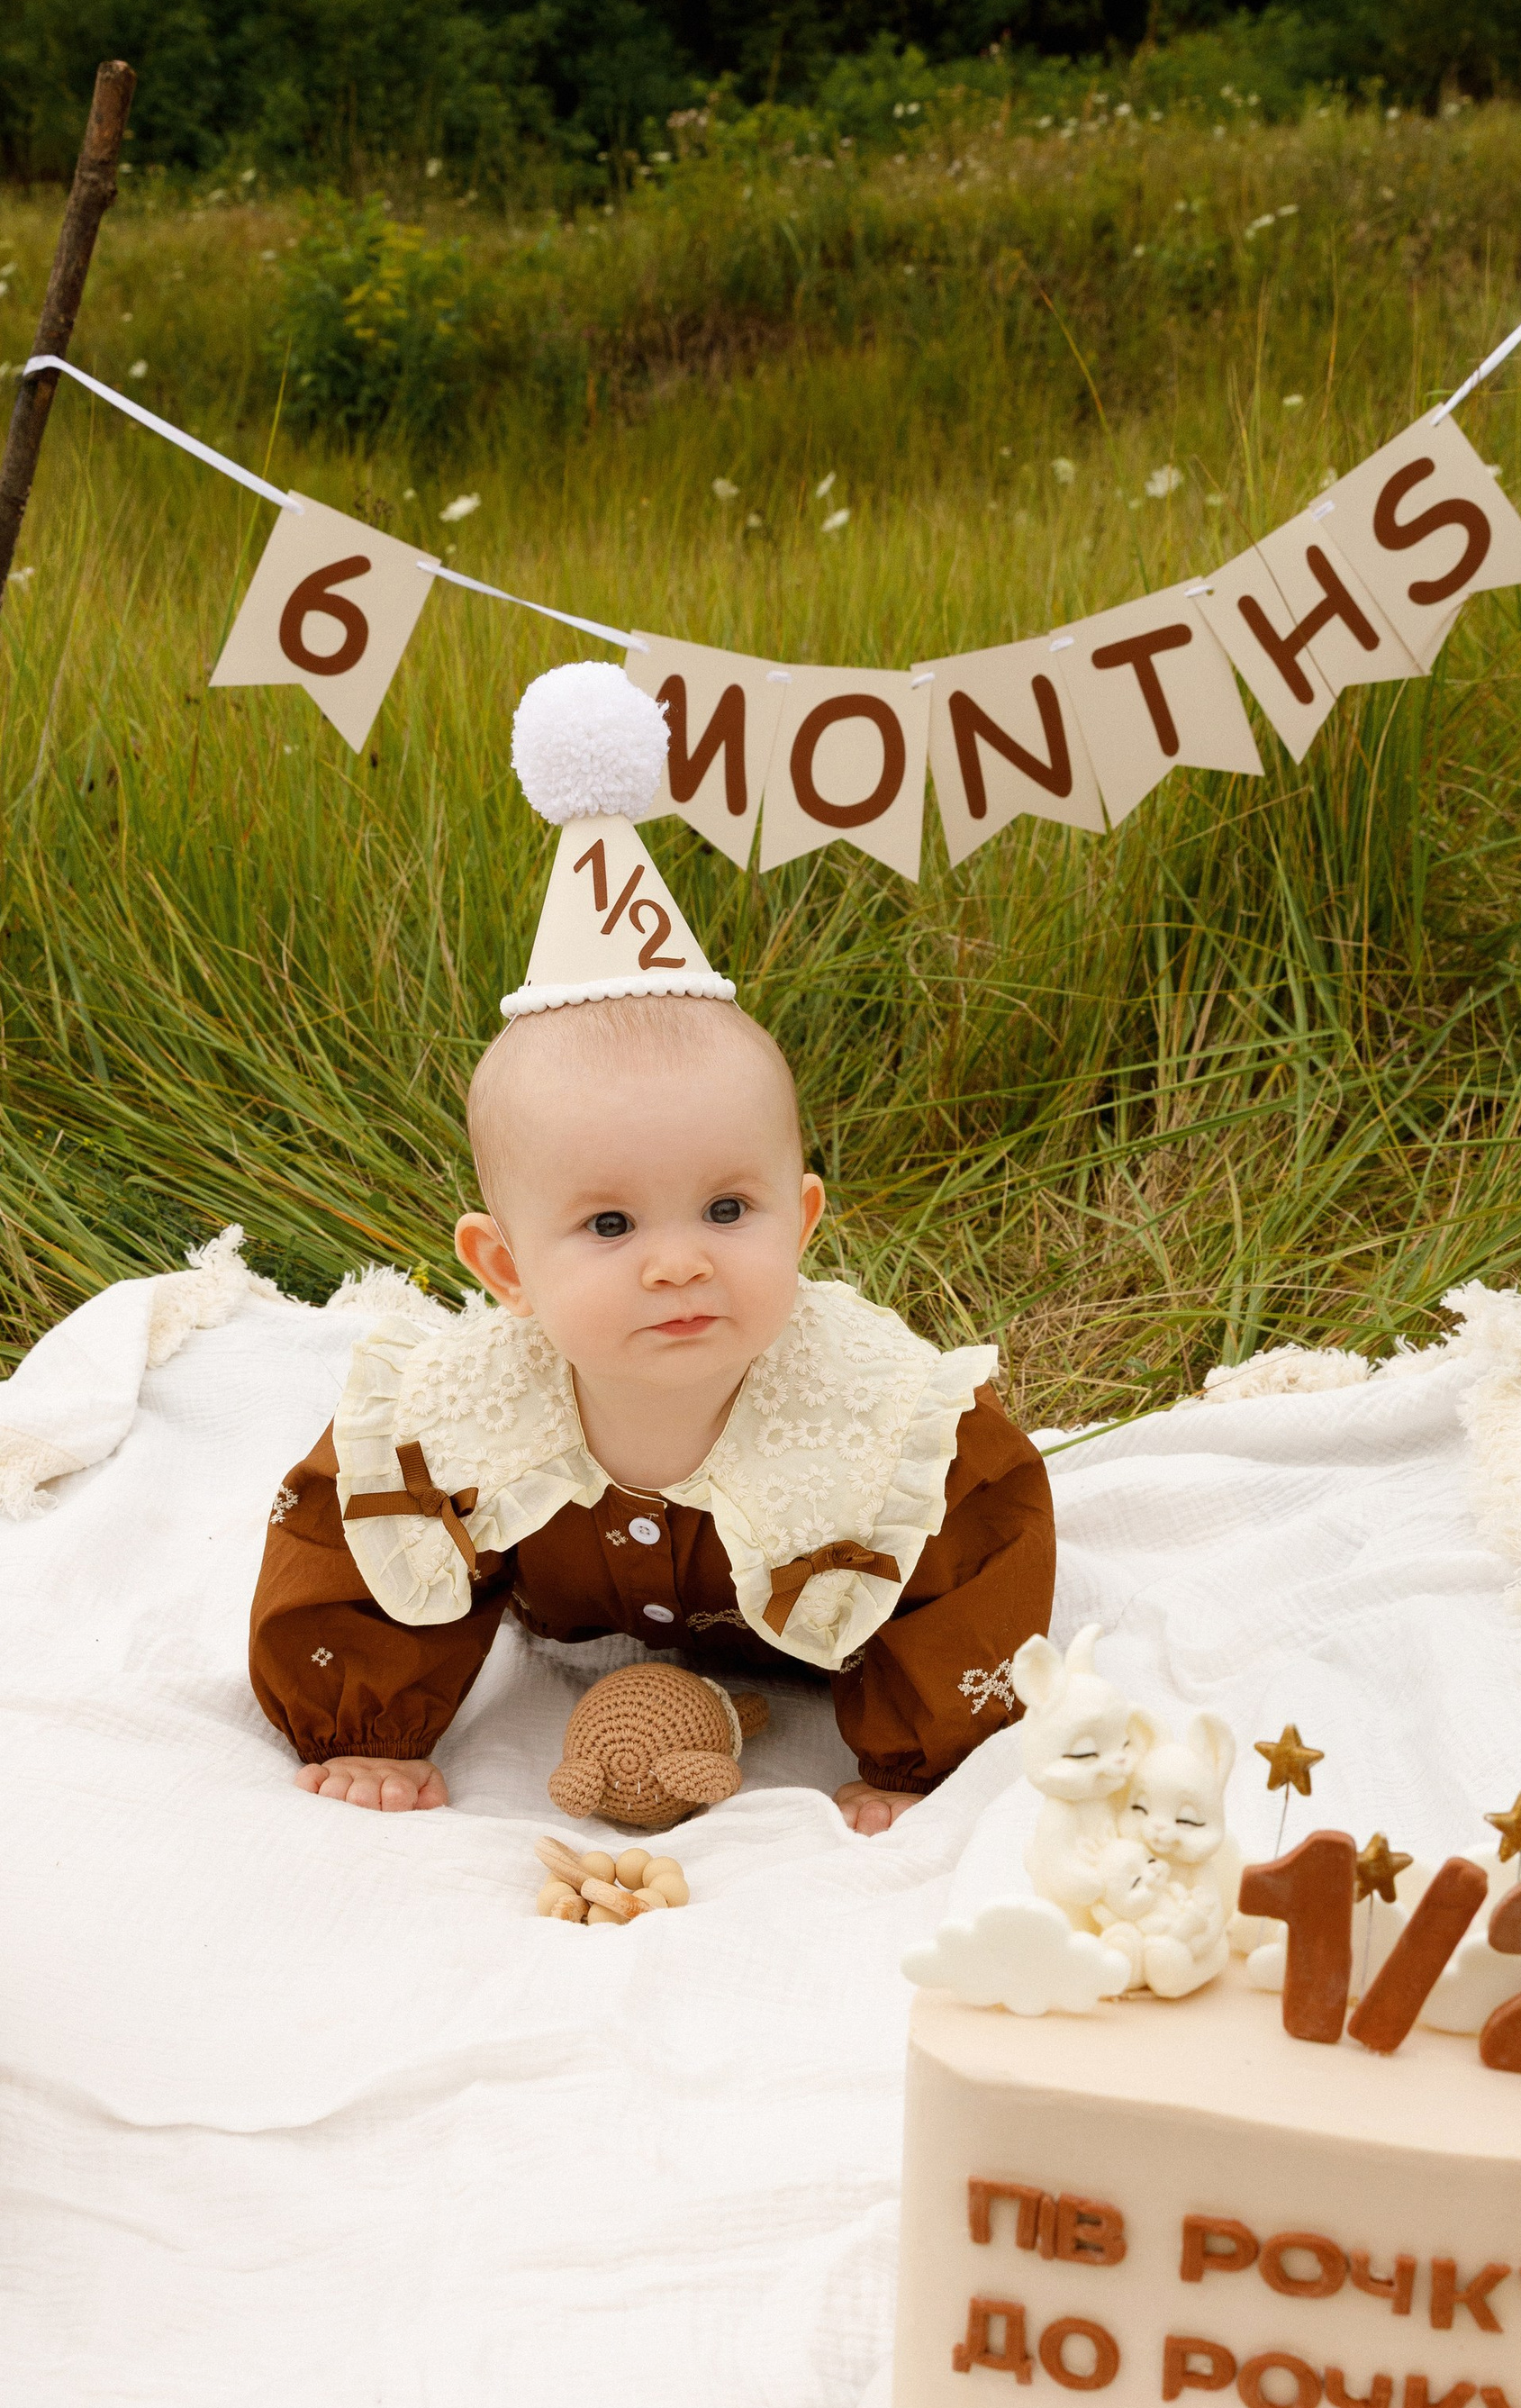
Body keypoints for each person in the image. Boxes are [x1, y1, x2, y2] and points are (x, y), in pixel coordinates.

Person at [247, 664, 1055, 1833]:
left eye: (728, 1210)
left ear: (804, 1221)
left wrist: (915, 1759)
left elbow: (979, 1558)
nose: (678, 1263)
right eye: (611, 1225)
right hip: (581, 1609)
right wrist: (368, 1725)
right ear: (506, 1270)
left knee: (937, 1512)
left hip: (806, 1634)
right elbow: (350, 1544)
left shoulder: (878, 1418)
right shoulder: (459, 1413)